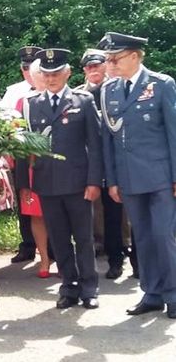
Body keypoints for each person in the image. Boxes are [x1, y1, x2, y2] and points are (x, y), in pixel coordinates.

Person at [98, 32, 176, 319]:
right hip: (129, 180)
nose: (110, 64)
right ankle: (152, 293)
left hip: (160, 177)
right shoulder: (110, 90)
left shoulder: (161, 84)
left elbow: (173, 133)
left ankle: (174, 293)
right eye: (107, 59)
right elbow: (109, 139)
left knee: (163, 235)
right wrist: (112, 180)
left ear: (134, 56)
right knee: (141, 237)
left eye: (114, 58)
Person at [18, 48, 102, 310]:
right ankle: (68, 286)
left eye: (56, 73)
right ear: (41, 75)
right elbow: (24, 147)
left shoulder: (83, 100)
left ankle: (89, 287)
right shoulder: (32, 104)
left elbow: (95, 145)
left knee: (84, 238)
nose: (51, 78)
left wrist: (94, 181)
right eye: (47, 73)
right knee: (59, 238)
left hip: (78, 183)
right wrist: (25, 184)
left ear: (67, 73)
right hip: (47, 182)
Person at [75, 49, 128, 280]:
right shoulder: (78, 95)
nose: (92, 70)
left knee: (117, 211)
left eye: (96, 66)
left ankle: (121, 257)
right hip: (88, 161)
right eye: (88, 67)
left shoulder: (117, 89)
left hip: (115, 159)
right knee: (93, 211)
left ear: (105, 66)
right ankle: (100, 248)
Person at [2, 46, 41, 264]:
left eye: (32, 66)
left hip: (47, 158)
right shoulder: (14, 92)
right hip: (21, 157)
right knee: (24, 202)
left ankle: (53, 248)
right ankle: (27, 245)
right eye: (25, 67)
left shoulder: (51, 83)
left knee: (50, 204)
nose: (29, 71)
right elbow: (4, 125)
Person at [16, 58, 52, 278]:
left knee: (61, 216)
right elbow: (18, 142)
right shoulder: (24, 103)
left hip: (60, 169)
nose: (44, 80)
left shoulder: (68, 99)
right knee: (37, 216)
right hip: (33, 167)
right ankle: (44, 260)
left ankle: (62, 257)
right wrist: (22, 180)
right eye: (40, 76)